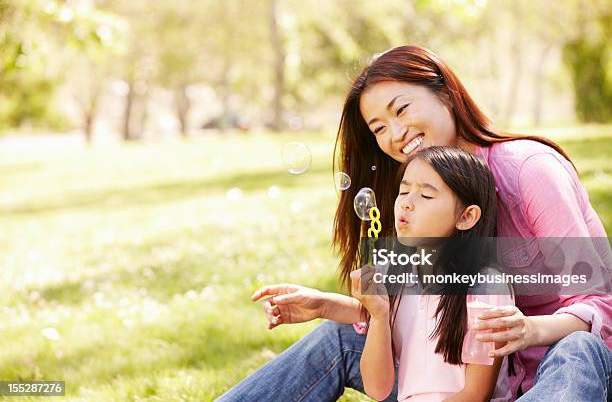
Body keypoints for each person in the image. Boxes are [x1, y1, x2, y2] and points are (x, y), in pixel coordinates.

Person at [217, 45, 611, 401]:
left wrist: (529, 330)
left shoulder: (528, 169)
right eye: (379, 129)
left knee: (579, 349)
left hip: (555, 377)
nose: (396, 134)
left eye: (401, 110)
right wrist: (326, 305)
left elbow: (600, 304)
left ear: (445, 93)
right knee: (334, 339)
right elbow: (400, 314)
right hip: (457, 380)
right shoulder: (415, 204)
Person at [352, 146, 514, 401]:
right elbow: (377, 388)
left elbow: (475, 394)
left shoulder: (485, 286)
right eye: (403, 191)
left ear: (466, 216)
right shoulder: (392, 276)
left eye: (426, 195)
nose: (406, 202)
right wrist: (379, 315)